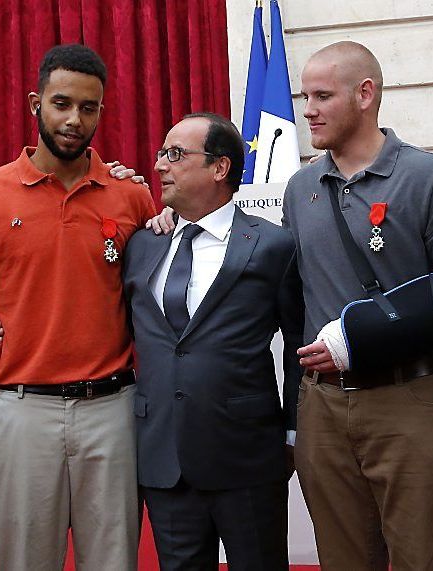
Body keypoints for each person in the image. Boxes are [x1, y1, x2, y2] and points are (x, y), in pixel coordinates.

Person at [0, 44, 156, 571]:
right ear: (35, 103)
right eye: (62, 104)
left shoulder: (131, 197)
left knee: (113, 561)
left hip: (112, 409)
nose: (73, 120)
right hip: (22, 412)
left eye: (88, 108)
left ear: (101, 112)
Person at [286, 41, 433, 570]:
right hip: (321, 408)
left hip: (408, 399)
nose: (309, 111)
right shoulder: (300, 188)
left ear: (366, 94)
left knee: (422, 559)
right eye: (306, 96)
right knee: (342, 560)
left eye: (323, 96)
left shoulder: (431, 180)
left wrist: (360, 339)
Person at [123, 113, 304, 570]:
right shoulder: (143, 243)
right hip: (163, 454)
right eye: (162, 153)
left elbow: (299, 345)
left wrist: (293, 431)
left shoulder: (271, 246)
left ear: (220, 168)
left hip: (245, 453)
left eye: (176, 154)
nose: (161, 165)